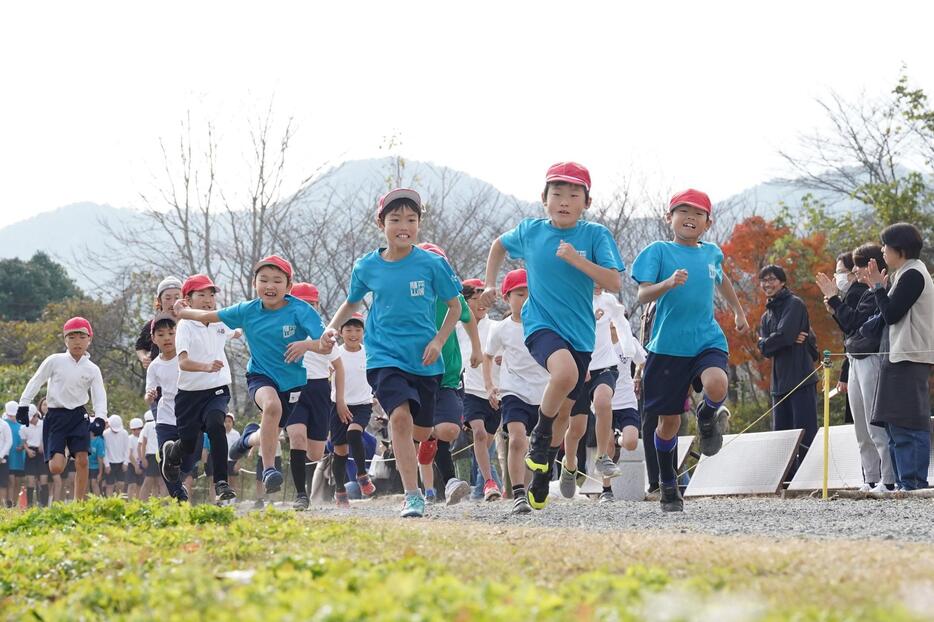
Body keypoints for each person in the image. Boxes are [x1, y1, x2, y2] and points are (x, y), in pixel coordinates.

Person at [480, 162, 625, 511]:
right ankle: (540, 437)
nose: (564, 200)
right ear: (543, 199)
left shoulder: (595, 236)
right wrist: (488, 282)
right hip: (540, 324)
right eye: (556, 193)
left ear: (586, 201)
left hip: (580, 335)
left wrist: (578, 261)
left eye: (574, 194)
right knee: (564, 375)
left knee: (566, 415)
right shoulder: (531, 231)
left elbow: (615, 283)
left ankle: (543, 469)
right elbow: (499, 245)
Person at [324, 188, 463, 518]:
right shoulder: (367, 266)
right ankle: (412, 495)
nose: (404, 225)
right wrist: (329, 329)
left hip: (426, 361)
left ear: (419, 224)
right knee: (399, 418)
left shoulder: (432, 264)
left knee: (419, 430)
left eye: (412, 220)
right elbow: (353, 301)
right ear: (380, 222)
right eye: (396, 219)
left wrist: (438, 342)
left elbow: (455, 307)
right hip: (384, 356)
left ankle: (427, 440)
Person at [631, 189, 749, 512]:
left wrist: (738, 311)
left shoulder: (712, 253)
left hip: (706, 338)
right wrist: (666, 284)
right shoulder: (658, 251)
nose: (690, 218)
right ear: (669, 218)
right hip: (668, 347)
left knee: (718, 384)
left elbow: (721, 279)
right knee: (667, 424)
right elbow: (642, 295)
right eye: (683, 212)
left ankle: (707, 415)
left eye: (698, 214)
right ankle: (668, 481)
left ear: (708, 223)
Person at [194, 256, 331, 496]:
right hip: (260, 376)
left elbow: (325, 345)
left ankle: (247, 439)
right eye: (264, 280)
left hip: (295, 383)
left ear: (288, 287)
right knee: (272, 407)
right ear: (255, 284)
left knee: (284, 436)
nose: (270, 285)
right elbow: (208, 316)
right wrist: (180, 311)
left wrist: (307, 345)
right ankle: (270, 471)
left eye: (277, 281)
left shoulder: (301, 310)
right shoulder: (247, 309)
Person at [817, 244, 894, 491]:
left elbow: (856, 323)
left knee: (875, 423)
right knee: (861, 426)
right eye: (856, 266)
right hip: (855, 358)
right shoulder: (864, 292)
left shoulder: (875, 292)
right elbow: (850, 328)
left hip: (872, 357)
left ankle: (888, 479)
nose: (857, 271)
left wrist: (835, 300)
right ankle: (869, 478)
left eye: (860, 265)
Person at [866, 223, 934, 491]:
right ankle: (904, 482)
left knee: (907, 421)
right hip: (898, 355)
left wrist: (877, 289)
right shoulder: (904, 273)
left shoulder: (914, 274)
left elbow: (892, 313)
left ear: (900, 249)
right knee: (894, 422)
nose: (882, 251)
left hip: (909, 356)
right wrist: (879, 289)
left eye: (885, 246)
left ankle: (913, 482)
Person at [163, 274, 238, 504]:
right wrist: (206, 367)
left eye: (211, 294)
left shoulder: (219, 321)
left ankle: (221, 483)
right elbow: (183, 362)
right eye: (201, 294)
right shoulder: (185, 326)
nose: (208, 299)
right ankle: (171, 453)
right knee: (189, 444)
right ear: (188, 300)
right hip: (189, 395)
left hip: (216, 389)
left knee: (217, 425)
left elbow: (238, 329)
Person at [415, 243, 480, 506]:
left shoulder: (453, 295)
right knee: (424, 431)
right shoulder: (410, 295)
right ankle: (448, 482)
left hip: (449, 374)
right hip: (417, 373)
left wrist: (476, 348)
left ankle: (446, 473)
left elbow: (468, 318)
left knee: (450, 429)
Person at [16, 317, 107, 501]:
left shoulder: (92, 369)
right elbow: (36, 380)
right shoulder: (54, 360)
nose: (77, 342)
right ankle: (65, 449)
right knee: (56, 468)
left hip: (79, 416)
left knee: (82, 459)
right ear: (65, 340)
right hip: (55, 416)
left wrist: (100, 417)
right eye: (72, 337)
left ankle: (79, 503)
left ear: (89, 339)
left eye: (82, 337)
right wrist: (23, 405)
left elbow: (99, 394)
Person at [484, 269, 551, 515]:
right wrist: (490, 385)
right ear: (506, 297)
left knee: (534, 448)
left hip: (544, 391)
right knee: (516, 439)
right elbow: (487, 356)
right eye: (519, 294)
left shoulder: (546, 324)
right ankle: (518, 494)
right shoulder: (500, 328)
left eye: (529, 294)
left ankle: (533, 486)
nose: (524, 299)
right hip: (513, 390)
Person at [559, 286, 629, 500]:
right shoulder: (574, 297)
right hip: (581, 366)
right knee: (576, 429)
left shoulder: (609, 300)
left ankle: (602, 456)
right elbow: (566, 331)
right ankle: (569, 464)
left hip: (606, 365)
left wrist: (628, 348)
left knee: (603, 402)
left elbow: (622, 322)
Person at [285, 282, 345, 511]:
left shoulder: (326, 333)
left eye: (311, 304)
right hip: (294, 389)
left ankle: (307, 487)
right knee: (297, 437)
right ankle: (301, 494)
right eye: (303, 303)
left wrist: (339, 400)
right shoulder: (286, 329)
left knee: (316, 452)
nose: (308, 308)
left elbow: (339, 367)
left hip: (320, 392)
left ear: (317, 305)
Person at [757, 264, 819, 470]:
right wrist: (767, 343)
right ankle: (787, 480)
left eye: (772, 279)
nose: (768, 284)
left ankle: (808, 478)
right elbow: (765, 348)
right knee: (782, 437)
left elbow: (784, 336)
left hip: (801, 378)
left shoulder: (794, 304)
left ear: (782, 282)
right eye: (764, 280)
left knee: (805, 433)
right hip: (779, 382)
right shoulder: (767, 315)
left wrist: (772, 341)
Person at [458, 278, 502, 501]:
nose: (480, 304)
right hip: (469, 390)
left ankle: (480, 486)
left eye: (484, 299)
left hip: (495, 393)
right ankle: (489, 482)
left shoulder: (496, 327)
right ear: (464, 301)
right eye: (475, 299)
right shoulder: (455, 326)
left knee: (486, 443)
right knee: (479, 433)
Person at [146, 313, 195, 502]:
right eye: (161, 334)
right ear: (154, 338)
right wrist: (149, 396)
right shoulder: (155, 366)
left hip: (189, 416)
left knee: (188, 462)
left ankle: (178, 486)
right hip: (166, 418)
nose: (167, 338)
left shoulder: (187, 358)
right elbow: (149, 392)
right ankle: (178, 495)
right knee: (164, 458)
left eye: (171, 333)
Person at [329, 313, 376, 507]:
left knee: (355, 433)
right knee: (340, 451)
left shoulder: (370, 352)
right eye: (348, 330)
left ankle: (362, 474)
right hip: (338, 405)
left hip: (363, 404)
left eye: (358, 330)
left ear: (363, 333)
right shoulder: (335, 353)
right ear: (340, 332)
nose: (353, 334)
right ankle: (340, 489)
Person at [602, 322, 647, 503]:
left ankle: (619, 440)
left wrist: (638, 374)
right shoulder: (597, 342)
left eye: (617, 319)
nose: (613, 323)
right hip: (604, 402)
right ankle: (606, 489)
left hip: (627, 400)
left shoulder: (628, 341)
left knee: (631, 442)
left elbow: (644, 361)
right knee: (607, 448)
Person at [102, 415, 129, 497]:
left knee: (121, 484)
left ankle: (118, 500)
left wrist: (126, 462)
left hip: (121, 463)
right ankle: (110, 503)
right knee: (110, 485)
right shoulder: (105, 434)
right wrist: (106, 464)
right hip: (110, 463)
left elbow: (127, 448)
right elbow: (104, 451)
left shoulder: (124, 433)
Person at [138, 412, 162, 499]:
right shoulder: (148, 425)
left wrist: (143, 458)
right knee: (149, 481)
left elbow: (143, 444)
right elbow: (143, 443)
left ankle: (163, 505)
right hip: (153, 455)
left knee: (160, 481)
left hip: (159, 454)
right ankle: (142, 503)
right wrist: (143, 458)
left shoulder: (161, 423)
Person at [224, 413, 241, 494]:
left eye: (229, 421)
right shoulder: (221, 433)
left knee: (233, 481)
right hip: (223, 461)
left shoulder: (236, 434)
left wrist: (238, 462)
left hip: (233, 460)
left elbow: (239, 449)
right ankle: (224, 502)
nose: (227, 423)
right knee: (224, 481)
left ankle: (233, 502)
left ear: (232, 423)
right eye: (225, 421)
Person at [87, 422, 105, 496]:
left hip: (95, 467)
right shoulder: (86, 440)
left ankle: (97, 502)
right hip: (86, 466)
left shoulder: (99, 441)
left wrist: (100, 473)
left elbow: (100, 458)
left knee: (94, 483)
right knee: (86, 484)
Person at [0, 404, 11, 507]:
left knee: (3, 484)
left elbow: (9, 441)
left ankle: (2, 508)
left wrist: (1, 455)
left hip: (2, 459)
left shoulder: (4, 425)